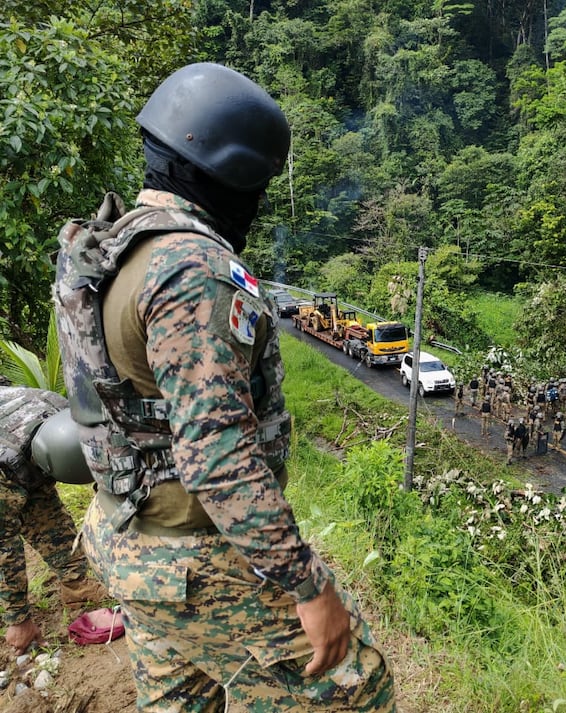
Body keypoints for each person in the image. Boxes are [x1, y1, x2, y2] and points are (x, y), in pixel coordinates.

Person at [53, 63, 394, 711]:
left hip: (127, 540)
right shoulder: (194, 268)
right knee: (357, 681)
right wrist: (307, 584)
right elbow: (219, 456)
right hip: (193, 560)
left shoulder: (112, 249)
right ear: (234, 173)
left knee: (181, 697)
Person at [0, 387, 107, 654]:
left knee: (45, 511)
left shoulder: (62, 409)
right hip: (6, 466)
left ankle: (76, 584)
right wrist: (18, 619)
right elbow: (4, 549)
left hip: (17, 454)